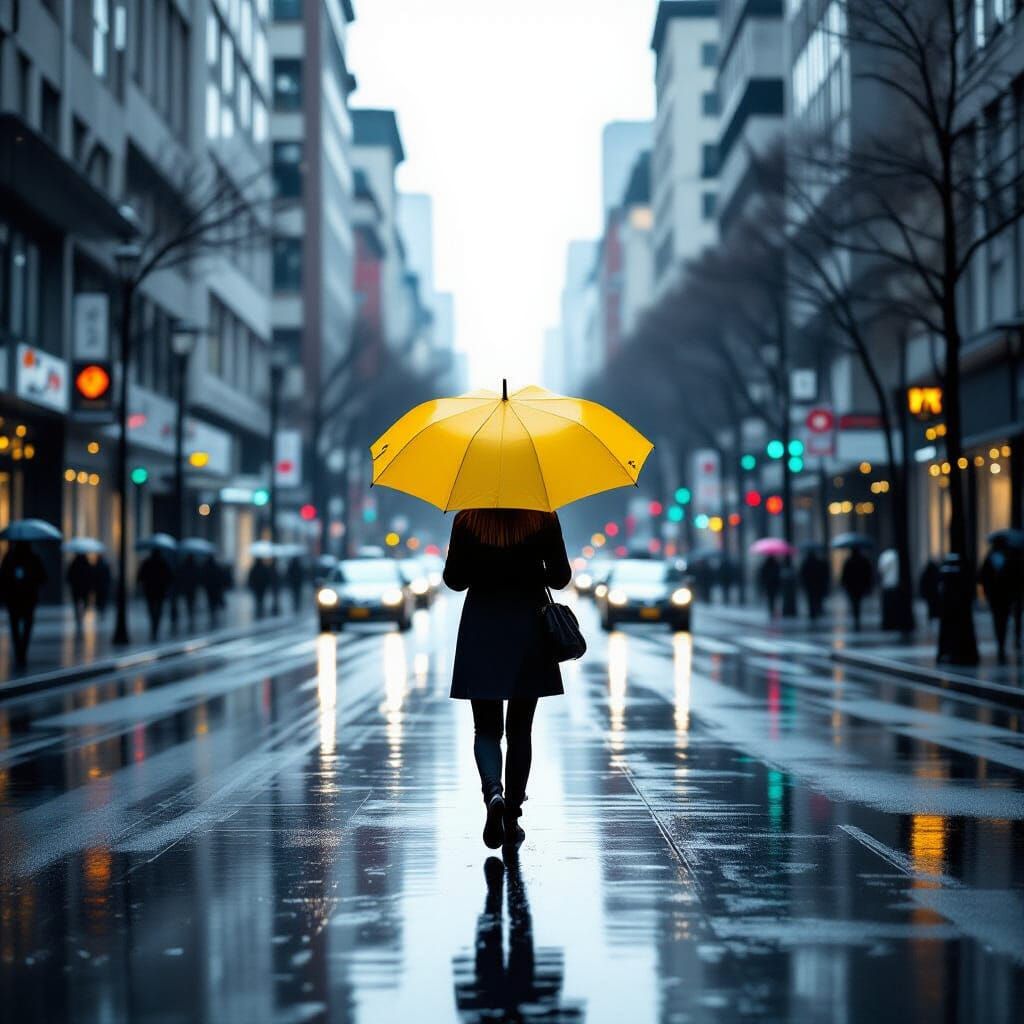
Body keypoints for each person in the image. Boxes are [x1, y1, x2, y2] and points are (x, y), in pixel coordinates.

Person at [443, 508, 571, 850]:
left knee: (485, 729)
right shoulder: (543, 516)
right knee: (520, 730)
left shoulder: (467, 518)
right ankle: (512, 816)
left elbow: (454, 580)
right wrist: (533, 566)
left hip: (482, 626)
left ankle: (493, 794)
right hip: (528, 627)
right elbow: (560, 577)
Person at [0, 541, 48, 669]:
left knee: (15, 626)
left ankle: (19, 651)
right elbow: (43, 577)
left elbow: (2, 578)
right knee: (27, 626)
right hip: (28, 599)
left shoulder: (9, 557)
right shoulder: (33, 558)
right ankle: (22, 650)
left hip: (14, 599)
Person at [978, 535, 1023, 663]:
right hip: (996, 596)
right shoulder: (992, 558)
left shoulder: (1010, 557)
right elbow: (983, 576)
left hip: (1006, 595)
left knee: (1003, 619)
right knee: (999, 620)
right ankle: (1001, 643)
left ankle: (1006, 641)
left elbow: (1017, 575)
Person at [137, 549, 174, 641]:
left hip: (150, 590)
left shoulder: (147, 562)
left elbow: (140, 576)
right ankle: (155, 626)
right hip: (160, 590)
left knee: (151, 608)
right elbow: (170, 577)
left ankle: (153, 625)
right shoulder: (163, 563)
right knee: (158, 609)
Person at [840, 548, 874, 631]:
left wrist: (843, 584)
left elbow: (844, 575)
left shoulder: (848, 561)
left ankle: (856, 617)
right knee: (858, 601)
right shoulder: (864, 560)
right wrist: (868, 585)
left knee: (854, 602)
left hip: (851, 586)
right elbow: (868, 573)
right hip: (860, 586)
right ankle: (857, 617)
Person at [799, 548, 830, 621]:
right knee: (817, 598)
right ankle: (817, 610)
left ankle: (812, 612)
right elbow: (824, 574)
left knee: (810, 599)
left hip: (809, 585)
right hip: (818, 585)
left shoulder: (806, 563)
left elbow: (802, 574)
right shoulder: (819, 562)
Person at [66, 552, 93, 631]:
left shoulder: (73, 564)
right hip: (84, 588)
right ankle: (81, 615)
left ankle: (78, 616)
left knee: (76, 602)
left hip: (76, 587)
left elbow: (69, 576)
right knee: (84, 601)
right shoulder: (86, 564)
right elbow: (90, 576)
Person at [175, 554, 201, 630]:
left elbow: (180, 577)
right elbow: (198, 577)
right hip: (192, 588)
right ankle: (191, 614)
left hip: (187, 588)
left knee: (189, 602)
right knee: (191, 602)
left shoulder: (184, 566)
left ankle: (190, 613)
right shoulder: (195, 566)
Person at [201, 556, 226, 625]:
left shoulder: (206, 567)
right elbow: (220, 577)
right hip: (215, 588)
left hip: (209, 588)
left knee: (211, 600)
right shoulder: (216, 567)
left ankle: (212, 611)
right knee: (214, 600)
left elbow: (203, 577)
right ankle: (214, 612)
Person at [919, 560, 941, 624]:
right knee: (933, 606)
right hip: (933, 593)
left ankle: (932, 617)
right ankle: (934, 617)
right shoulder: (934, 573)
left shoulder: (926, 573)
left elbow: (922, 584)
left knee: (931, 607)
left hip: (930, 594)